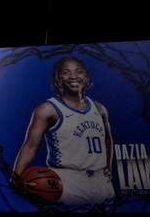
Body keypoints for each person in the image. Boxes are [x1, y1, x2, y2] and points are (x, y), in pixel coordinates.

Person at [11, 56, 115, 209]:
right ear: (58, 79)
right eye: (66, 72)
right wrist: (16, 177)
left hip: (101, 182)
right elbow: (30, 146)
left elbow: (107, 139)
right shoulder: (48, 109)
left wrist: (108, 168)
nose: (73, 76)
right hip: (67, 181)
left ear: (86, 77)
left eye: (78, 71)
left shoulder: (99, 108)